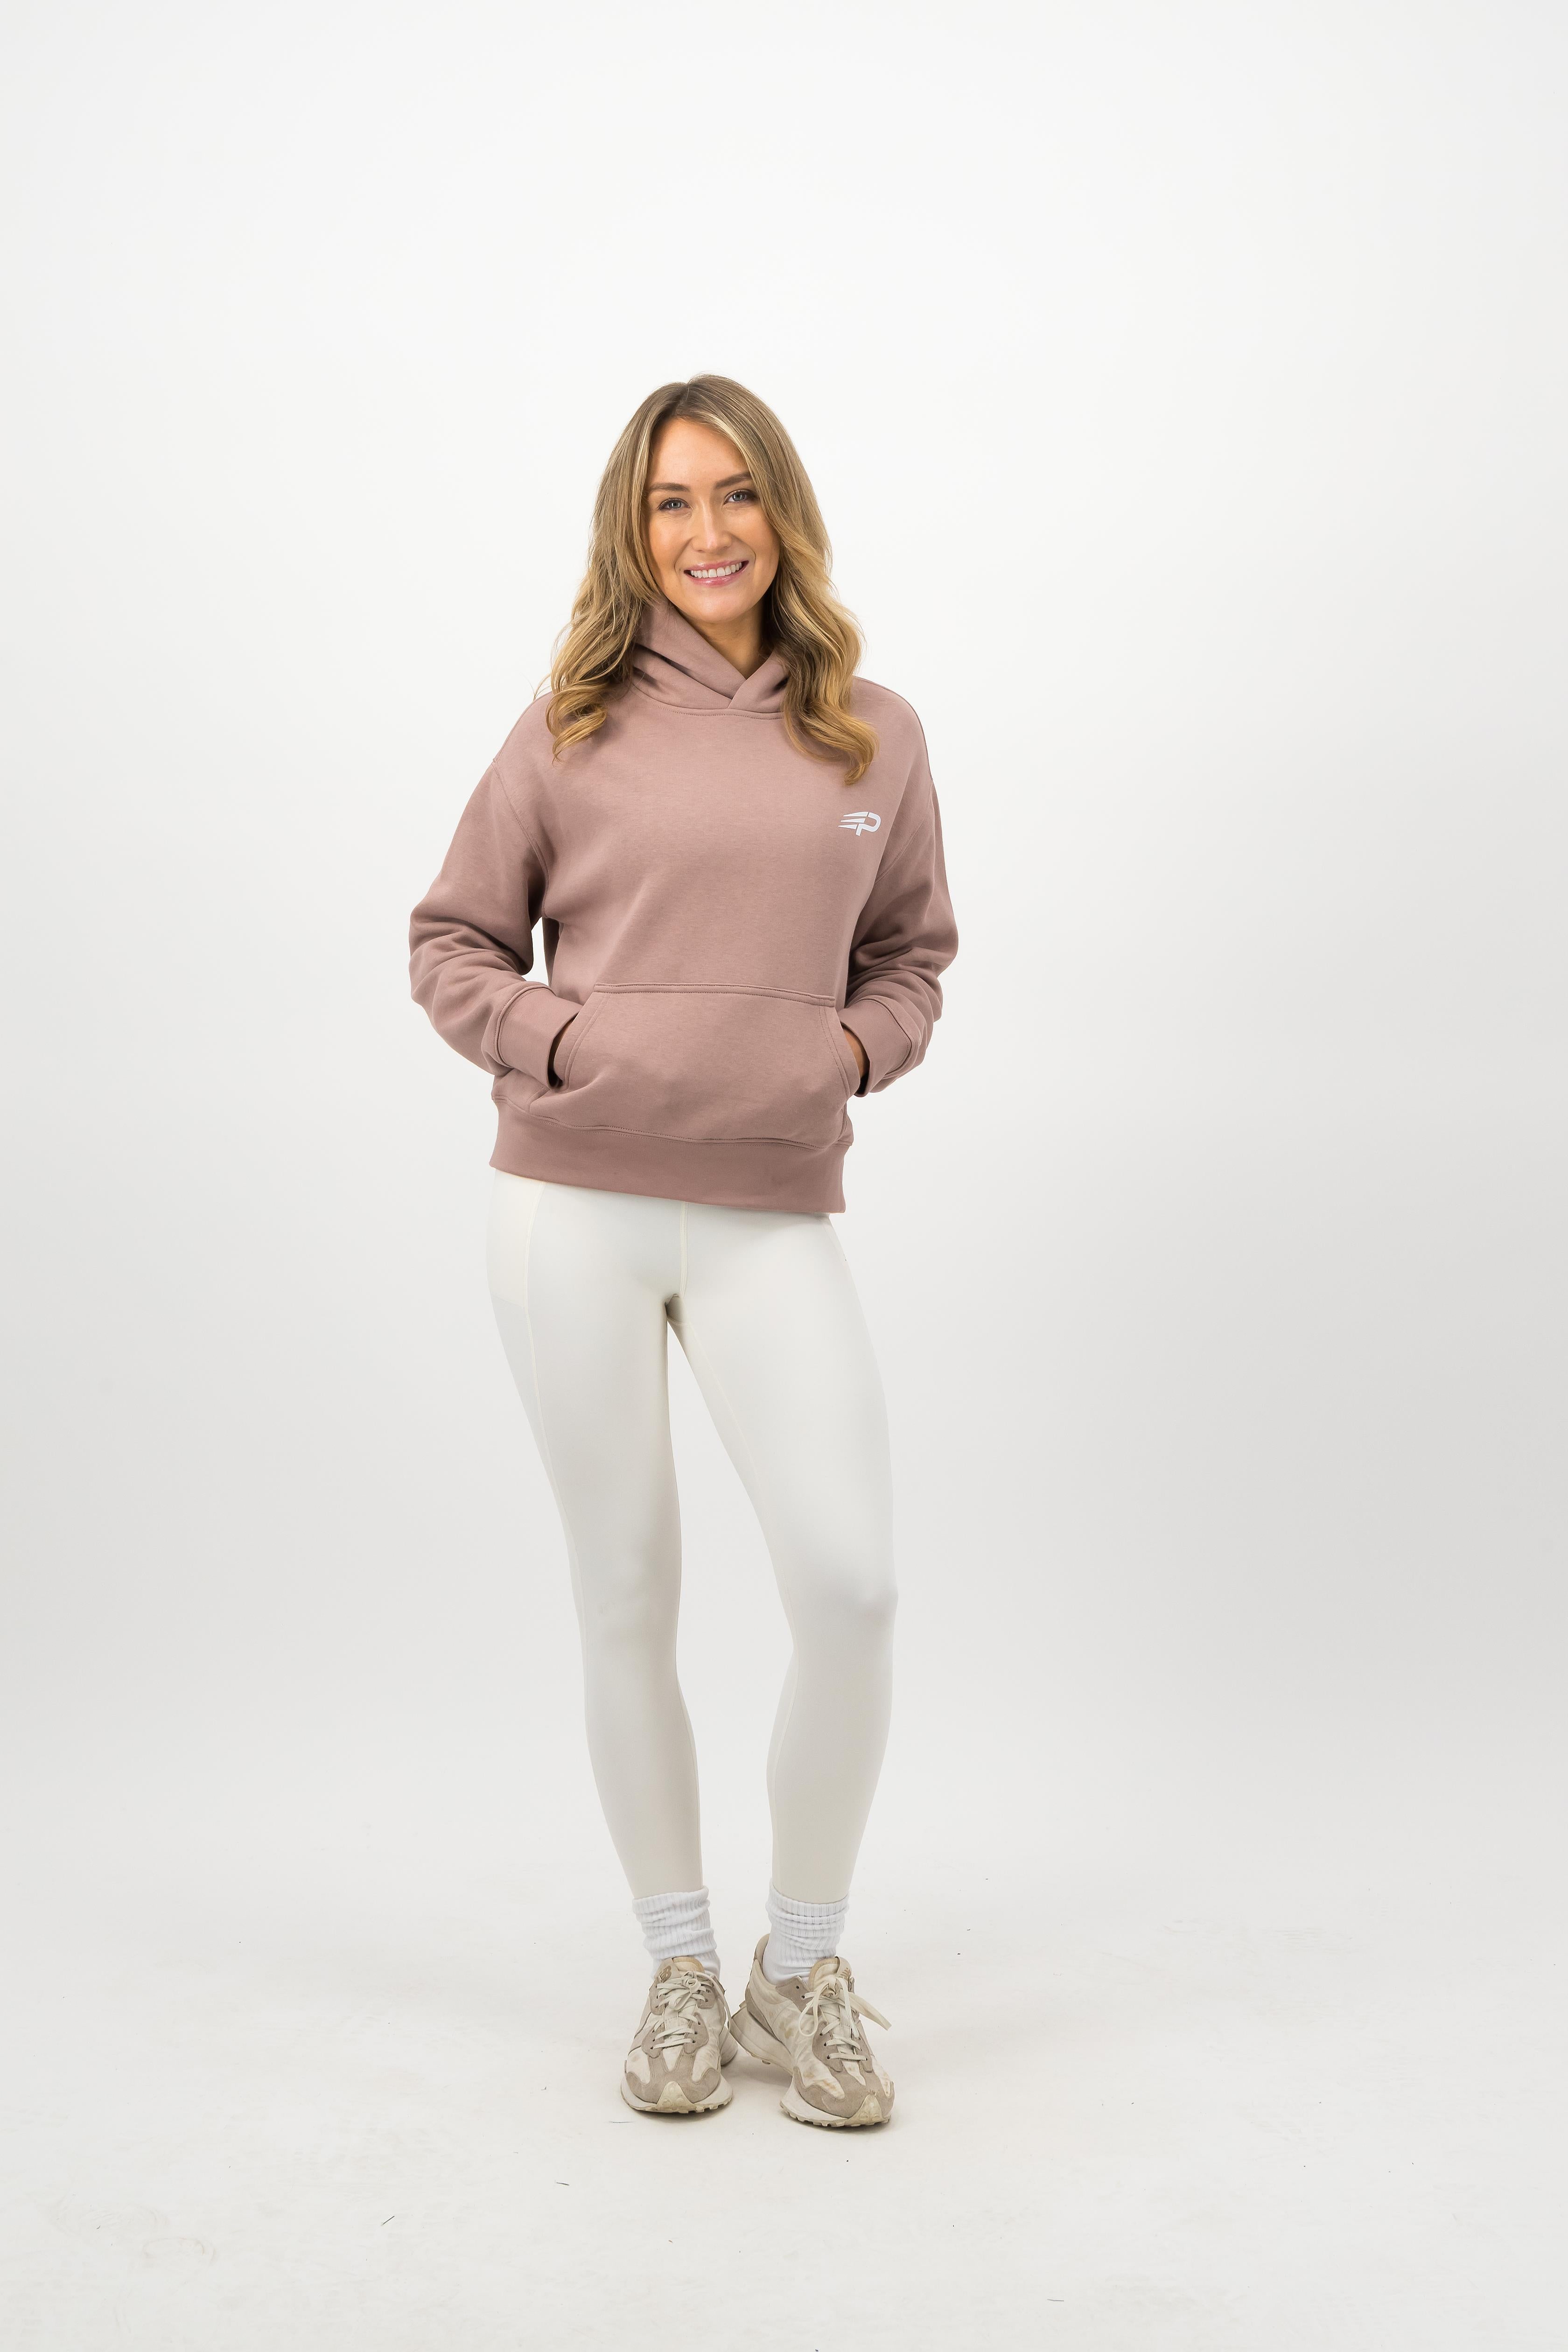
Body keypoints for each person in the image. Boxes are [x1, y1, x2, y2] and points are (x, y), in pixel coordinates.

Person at [408, 374, 958, 2128]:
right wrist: (570, 1044)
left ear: (781, 510)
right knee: (627, 1590)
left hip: (769, 1210)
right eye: (669, 503)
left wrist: (843, 1056)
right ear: (630, 532)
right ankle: (675, 1968)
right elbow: (452, 942)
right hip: (569, 1209)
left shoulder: (875, 736)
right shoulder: (564, 728)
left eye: (734, 494)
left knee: (851, 1591)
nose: (706, 532)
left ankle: (800, 1971)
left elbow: (914, 961)